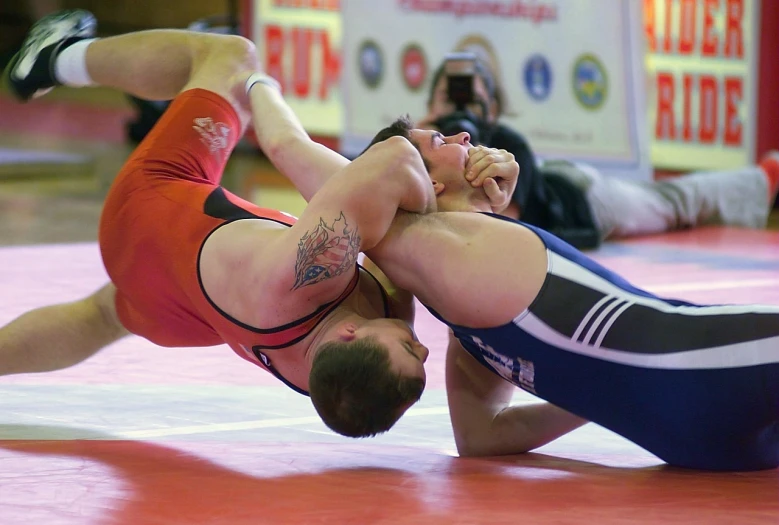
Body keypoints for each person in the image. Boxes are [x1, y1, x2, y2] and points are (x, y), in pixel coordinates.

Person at [1, 10, 444, 438]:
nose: (424, 347)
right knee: (101, 316)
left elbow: (390, 159)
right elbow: (402, 246)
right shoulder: (337, 384)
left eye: (410, 349)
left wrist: (257, 83)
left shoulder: (309, 272)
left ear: (348, 335)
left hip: (146, 215)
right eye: (422, 360)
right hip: (180, 314)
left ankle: (55, 56)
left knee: (231, 55)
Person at [267, 113, 779, 472]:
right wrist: (252, 82)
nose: (465, 135)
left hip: (690, 444)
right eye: (441, 140)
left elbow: (481, 438)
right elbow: (323, 170)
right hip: (708, 369)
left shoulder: (463, 320)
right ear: (423, 184)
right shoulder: (423, 243)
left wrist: (596, 397)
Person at [419, 56, 779, 248]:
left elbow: (499, 227)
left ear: (493, 107)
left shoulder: (507, 142)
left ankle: (766, 176)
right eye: (449, 98)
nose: (459, 113)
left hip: (580, 196)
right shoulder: (421, 147)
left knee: (672, 202)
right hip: (552, 178)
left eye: (473, 99)